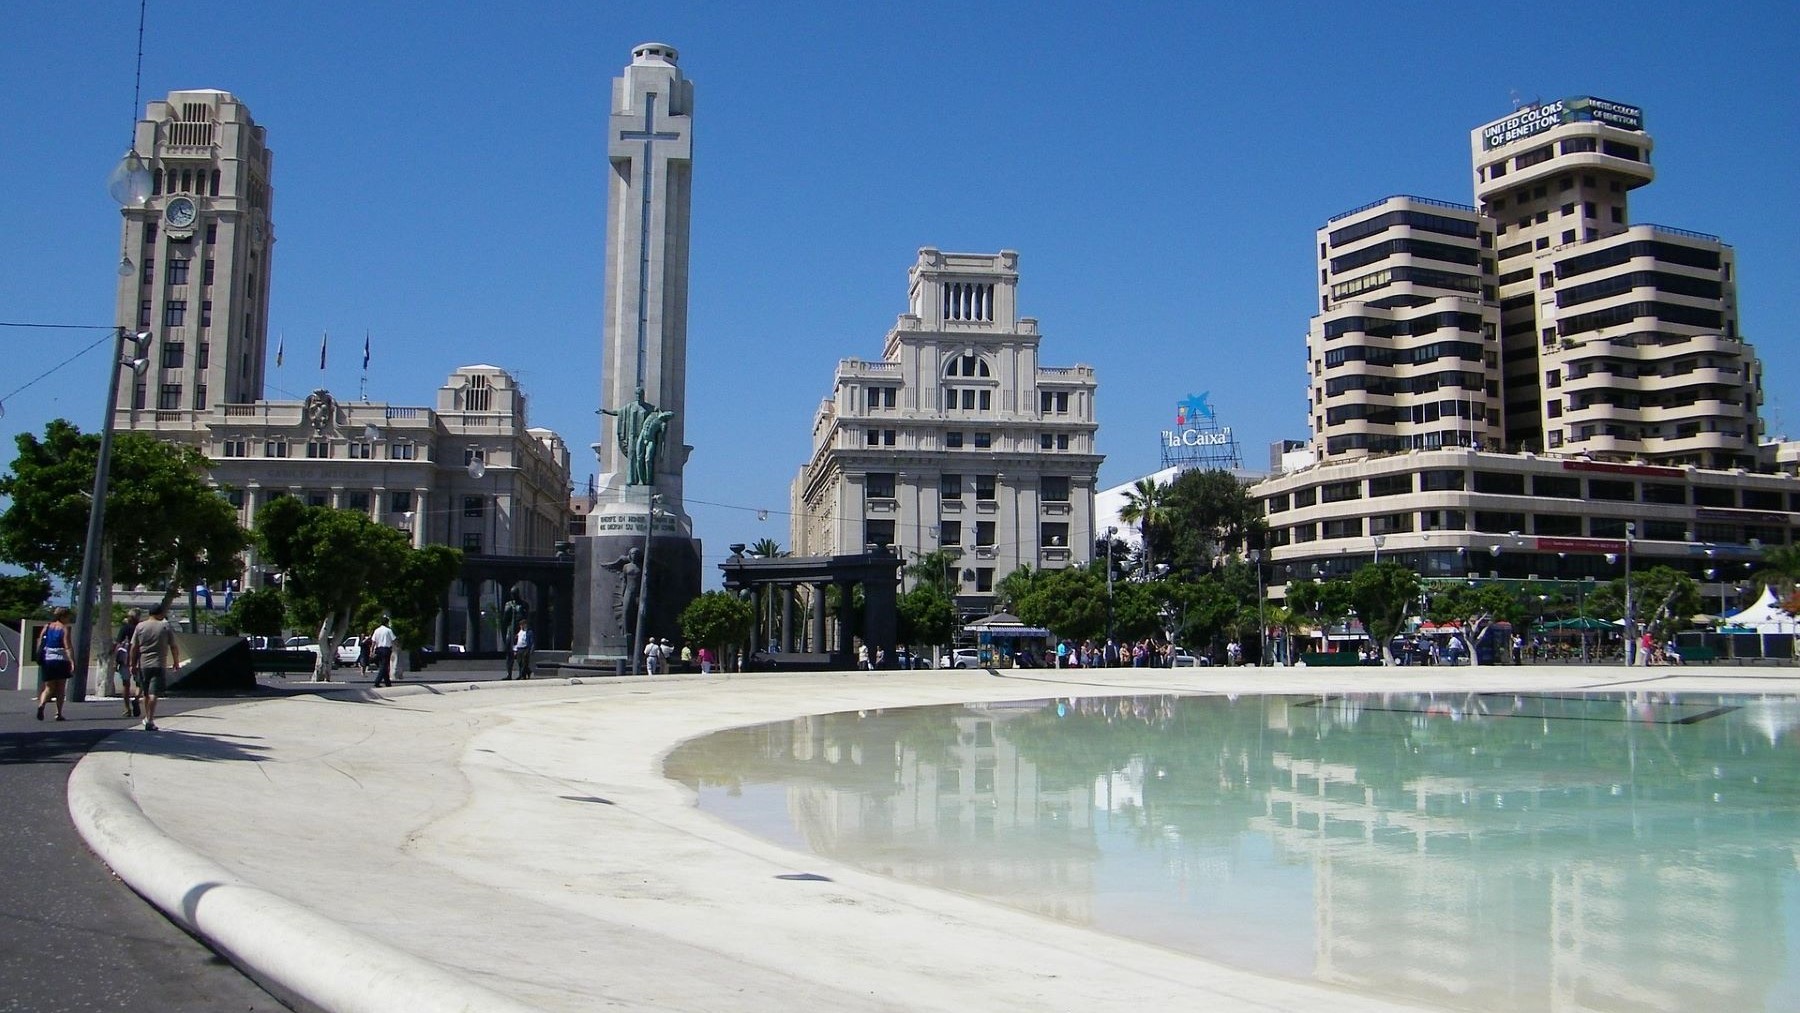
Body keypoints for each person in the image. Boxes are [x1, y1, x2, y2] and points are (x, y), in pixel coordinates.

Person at [128, 601, 181, 732]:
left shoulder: (140, 626)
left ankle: (147, 716)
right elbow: (173, 646)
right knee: (154, 693)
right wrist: (176, 661)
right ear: (160, 613)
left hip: (143, 664)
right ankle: (150, 719)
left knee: (146, 693)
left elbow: (134, 647)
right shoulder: (165, 627)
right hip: (159, 663)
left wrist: (132, 664)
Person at [35, 607, 74, 721]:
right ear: (63, 617)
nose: (69, 619)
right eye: (68, 616)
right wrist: (72, 661)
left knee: (48, 687)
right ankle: (58, 713)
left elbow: (40, 641)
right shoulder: (64, 629)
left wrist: (40, 655)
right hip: (61, 660)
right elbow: (67, 646)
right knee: (60, 688)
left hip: (48, 660)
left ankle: (41, 704)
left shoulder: (47, 626)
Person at [114, 607, 142, 718]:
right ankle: (136, 699)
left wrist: (115, 660)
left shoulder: (124, 628)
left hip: (125, 659)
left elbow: (118, 644)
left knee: (126, 684)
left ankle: (127, 709)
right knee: (140, 683)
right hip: (138, 658)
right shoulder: (140, 628)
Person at [369, 617, 397, 687]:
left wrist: (371, 651)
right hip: (386, 649)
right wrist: (395, 647)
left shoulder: (377, 630)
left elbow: (373, 641)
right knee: (384, 666)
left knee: (383, 665)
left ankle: (387, 682)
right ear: (387, 623)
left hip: (378, 649)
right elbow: (393, 640)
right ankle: (377, 681)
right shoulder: (388, 630)